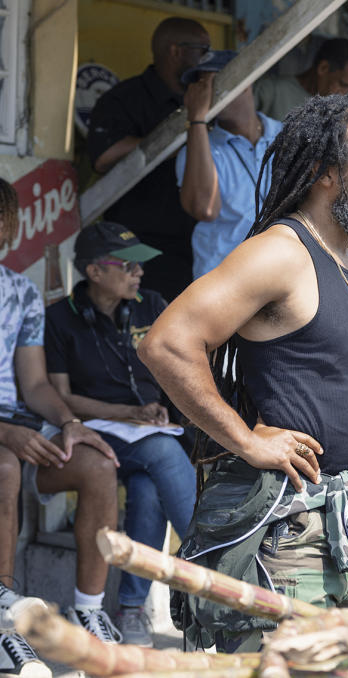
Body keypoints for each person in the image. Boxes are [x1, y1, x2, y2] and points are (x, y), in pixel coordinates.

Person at [137, 93, 348, 652]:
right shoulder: (280, 254)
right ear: (325, 174)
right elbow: (166, 343)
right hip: (288, 536)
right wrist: (245, 441)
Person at [43, 222, 196, 647]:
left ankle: (131, 608)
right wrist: (127, 413)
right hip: (90, 435)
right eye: (128, 266)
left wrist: (163, 405)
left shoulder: (152, 306)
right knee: (164, 452)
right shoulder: (58, 319)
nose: (139, 273)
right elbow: (61, 398)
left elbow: (182, 365)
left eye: (140, 265)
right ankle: (212, 569)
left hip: (144, 432)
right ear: (94, 272)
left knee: (148, 490)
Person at [0, 179, 121, 676]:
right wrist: (4, 434)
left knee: (97, 464)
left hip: (19, 422)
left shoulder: (21, 293)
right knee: (4, 465)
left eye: (2, 222)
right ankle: (6, 621)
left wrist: (70, 424)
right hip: (6, 440)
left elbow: (34, 385)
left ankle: (88, 611)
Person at [87, 17, 211, 302]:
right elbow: (103, 157)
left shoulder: (201, 100)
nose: (208, 58)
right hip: (140, 246)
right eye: (202, 50)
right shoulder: (122, 99)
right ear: (175, 50)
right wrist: (180, 134)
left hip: (195, 243)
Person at [175, 51, 284, 279]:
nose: (206, 93)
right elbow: (204, 208)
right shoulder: (199, 149)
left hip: (279, 273)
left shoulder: (285, 135)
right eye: (199, 86)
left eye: (211, 84)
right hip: (224, 282)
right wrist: (197, 119)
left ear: (244, 83)